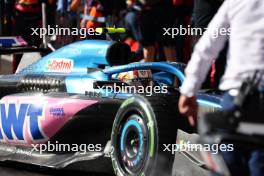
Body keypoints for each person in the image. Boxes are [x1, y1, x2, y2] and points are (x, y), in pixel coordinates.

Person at [178, 0, 264, 175]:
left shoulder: (236, 3)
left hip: (237, 102)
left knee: (227, 166)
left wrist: (188, 91)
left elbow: (206, 46)